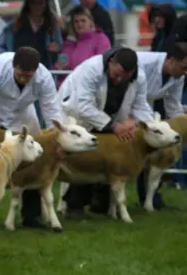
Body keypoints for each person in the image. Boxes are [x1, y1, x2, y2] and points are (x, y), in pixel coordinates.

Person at [59, 47, 154, 218]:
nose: (118, 80)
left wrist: (134, 122)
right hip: (77, 113)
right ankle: (75, 206)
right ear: (111, 63)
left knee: (107, 157)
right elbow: (84, 106)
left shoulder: (139, 78)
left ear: (132, 72)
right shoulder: (92, 69)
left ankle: (99, 204)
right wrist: (115, 126)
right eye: (116, 74)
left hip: (111, 115)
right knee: (85, 155)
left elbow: (141, 106)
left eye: (123, 77)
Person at [0, 47, 64, 229]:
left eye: (29, 75)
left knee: (35, 158)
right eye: (20, 74)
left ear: (36, 70)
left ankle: (31, 216)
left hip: (23, 116)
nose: (24, 78)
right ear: (13, 65)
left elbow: (51, 110)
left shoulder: (44, 77)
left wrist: (57, 138)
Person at [135, 44, 187, 210]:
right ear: (171, 61)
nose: (186, 72)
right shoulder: (142, 64)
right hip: (126, 107)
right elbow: (132, 96)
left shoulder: (179, 76)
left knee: (150, 156)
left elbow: (173, 105)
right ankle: (102, 202)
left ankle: (149, 200)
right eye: (184, 67)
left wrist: (178, 131)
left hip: (146, 111)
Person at [56, 5, 111, 86]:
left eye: (83, 21)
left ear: (90, 22)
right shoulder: (69, 42)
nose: (80, 24)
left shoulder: (100, 39)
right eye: (76, 21)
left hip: (89, 88)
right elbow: (61, 65)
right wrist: (58, 67)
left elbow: (104, 65)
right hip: (67, 89)